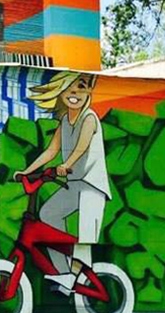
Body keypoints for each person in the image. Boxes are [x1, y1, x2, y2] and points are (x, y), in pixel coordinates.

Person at [14, 72, 111, 295]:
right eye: (69, 88)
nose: (75, 92)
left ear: (89, 92)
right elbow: (51, 151)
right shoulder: (65, 121)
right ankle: (64, 273)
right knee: (49, 213)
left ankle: (75, 274)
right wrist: (27, 172)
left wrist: (67, 164)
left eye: (81, 87)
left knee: (85, 236)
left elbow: (82, 146)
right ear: (61, 92)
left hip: (92, 186)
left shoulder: (89, 118)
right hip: (74, 184)